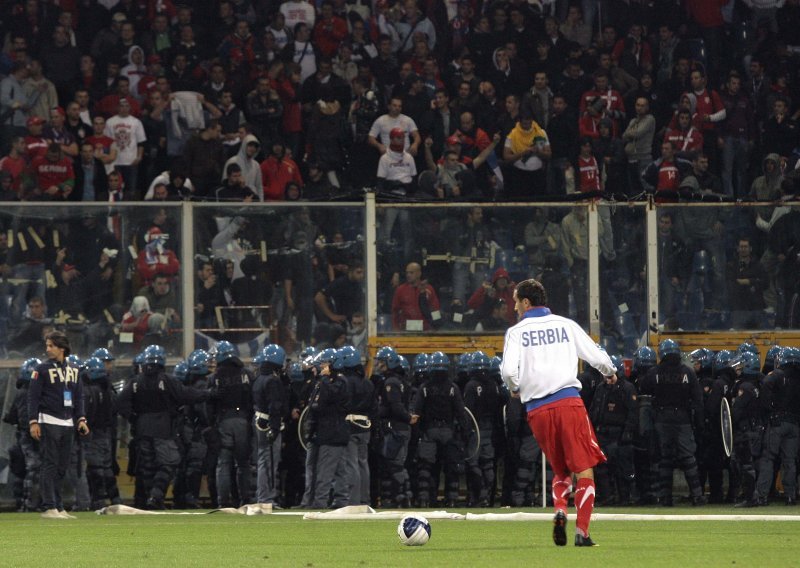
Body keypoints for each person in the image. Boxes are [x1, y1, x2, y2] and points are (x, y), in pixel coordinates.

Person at [501, 278, 616, 547]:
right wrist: (610, 373)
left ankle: (560, 510)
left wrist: (515, 387)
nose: (515, 307)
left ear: (526, 302)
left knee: (560, 469)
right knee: (584, 469)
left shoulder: (517, 332)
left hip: (536, 410)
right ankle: (582, 532)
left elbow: (507, 371)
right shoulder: (566, 325)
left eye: (516, 301)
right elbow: (596, 356)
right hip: (567, 403)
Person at [27, 331, 90, 519]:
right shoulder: (41, 369)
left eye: (51, 346)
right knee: (50, 464)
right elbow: (33, 397)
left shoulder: (74, 370)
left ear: (62, 348)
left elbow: (79, 397)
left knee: (62, 466)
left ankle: (59, 505)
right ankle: (49, 506)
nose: (47, 349)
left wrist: (81, 419)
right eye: (46, 345)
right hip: (48, 420)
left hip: (68, 422)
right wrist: (33, 422)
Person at [639, 339, 706, 507]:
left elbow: (644, 390)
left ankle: (665, 497)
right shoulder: (688, 373)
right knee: (688, 458)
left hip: (662, 419)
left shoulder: (654, 372)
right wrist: (699, 424)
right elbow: (698, 400)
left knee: (665, 459)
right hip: (683, 419)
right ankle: (697, 496)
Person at [252, 344, 288, 506]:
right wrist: (274, 427)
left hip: (259, 421)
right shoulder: (273, 381)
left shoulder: (259, 378)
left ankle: (263, 496)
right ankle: (266, 498)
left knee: (263, 460)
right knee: (269, 462)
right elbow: (275, 406)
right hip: (268, 424)